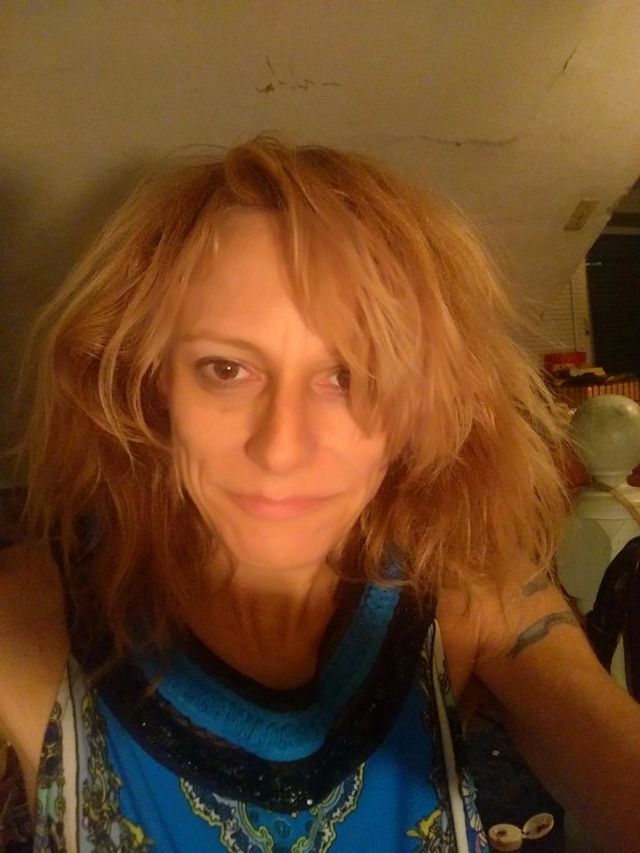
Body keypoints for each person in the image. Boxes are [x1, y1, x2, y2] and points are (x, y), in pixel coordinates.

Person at [1, 136, 638, 853]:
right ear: (152, 385)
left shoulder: (472, 591)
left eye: (350, 376)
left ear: (421, 406)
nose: (281, 448)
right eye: (225, 369)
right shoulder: (27, 621)